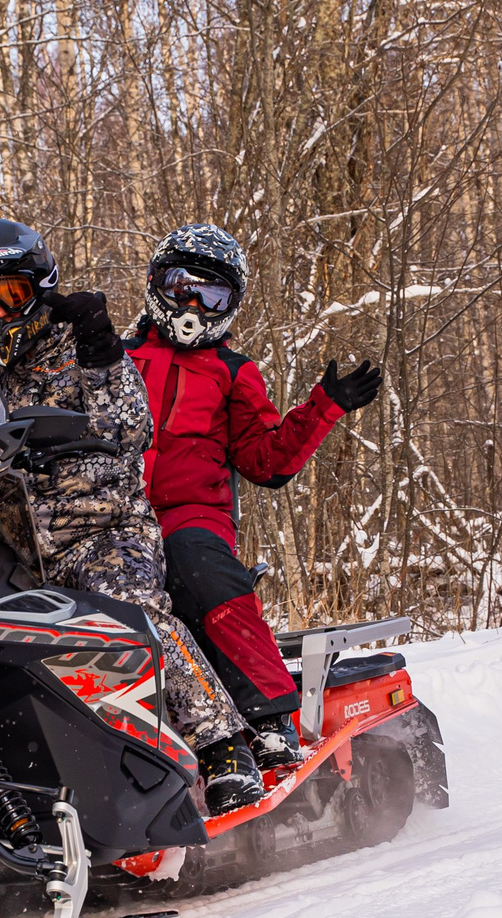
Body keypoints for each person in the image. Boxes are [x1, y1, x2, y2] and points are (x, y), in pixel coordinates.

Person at [0, 218, 265, 814]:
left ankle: (223, 745)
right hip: (3, 543)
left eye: (8, 296)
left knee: (130, 607)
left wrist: (101, 350)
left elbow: (134, 425)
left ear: (38, 289)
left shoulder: (79, 347)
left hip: (100, 527)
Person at [126, 224, 382, 769]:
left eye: (210, 295)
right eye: (181, 287)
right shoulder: (113, 360)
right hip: (113, 515)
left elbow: (266, 462)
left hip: (189, 513)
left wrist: (324, 407)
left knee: (199, 570)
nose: (193, 304)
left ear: (229, 305)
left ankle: (267, 718)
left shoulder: (232, 372)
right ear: (156, 283)